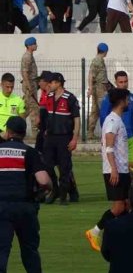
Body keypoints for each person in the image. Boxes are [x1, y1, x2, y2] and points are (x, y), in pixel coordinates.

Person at [0, 117, 50, 273]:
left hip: (2, 208)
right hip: (25, 208)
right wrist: (46, 190)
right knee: (30, 251)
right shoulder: (30, 153)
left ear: (8, 132)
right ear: (22, 133)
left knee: (1, 251)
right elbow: (43, 180)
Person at [84, 88, 132, 253]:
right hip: (114, 170)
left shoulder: (118, 120)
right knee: (119, 207)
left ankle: (125, 239)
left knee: (127, 205)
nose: (129, 102)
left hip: (122, 169)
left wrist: (127, 169)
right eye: (128, 99)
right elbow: (109, 148)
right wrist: (114, 169)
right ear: (121, 101)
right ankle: (95, 231)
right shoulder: (112, 121)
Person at [43, 73, 80, 205]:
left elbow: (76, 119)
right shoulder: (49, 97)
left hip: (64, 137)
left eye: (51, 82)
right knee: (46, 164)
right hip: (50, 137)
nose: (49, 85)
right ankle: (56, 189)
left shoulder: (69, 98)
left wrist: (74, 138)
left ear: (58, 83)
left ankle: (63, 195)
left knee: (64, 167)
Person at [99, 72, 133, 173]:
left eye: (125, 81)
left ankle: (131, 188)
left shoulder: (132, 97)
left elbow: (132, 118)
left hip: (130, 138)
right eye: (121, 82)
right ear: (115, 82)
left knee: (132, 168)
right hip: (117, 138)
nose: (124, 84)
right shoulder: (109, 98)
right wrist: (105, 136)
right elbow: (103, 117)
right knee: (120, 168)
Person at [87, 43, 111, 139]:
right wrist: (91, 89)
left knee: (95, 111)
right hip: (99, 88)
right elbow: (91, 75)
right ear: (105, 51)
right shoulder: (97, 61)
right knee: (104, 110)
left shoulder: (99, 60)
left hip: (100, 87)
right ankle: (106, 132)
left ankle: (90, 133)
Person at [20, 39, 38, 131]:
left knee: (26, 109)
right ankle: (35, 133)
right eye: (34, 44)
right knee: (34, 109)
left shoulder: (30, 55)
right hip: (29, 85)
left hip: (31, 84)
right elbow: (25, 73)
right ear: (29, 45)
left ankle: (17, 123)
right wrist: (29, 86)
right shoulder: (27, 57)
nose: (36, 45)